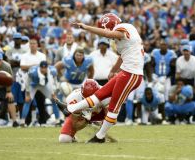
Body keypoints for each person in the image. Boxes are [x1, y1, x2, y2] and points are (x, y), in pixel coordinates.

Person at [66, 13, 144, 143]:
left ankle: (100, 136)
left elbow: (108, 34)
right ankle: (71, 108)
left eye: (105, 28)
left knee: (114, 106)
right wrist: (114, 70)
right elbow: (122, 55)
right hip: (126, 71)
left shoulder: (125, 27)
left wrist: (86, 27)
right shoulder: (124, 35)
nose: (106, 32)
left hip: (132, 74)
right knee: (99, 94)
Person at [21, 61, 58, 126]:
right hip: (33, 85)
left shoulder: (52, 71)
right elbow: (27, 82)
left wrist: (54, 92)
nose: (43, 69)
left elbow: (54, 82)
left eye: (45, 68)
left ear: (47, 68)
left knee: (54, 100)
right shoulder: (33, 72)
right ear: (39, 67)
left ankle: (58, 120)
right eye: (42, 68)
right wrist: (27, 94)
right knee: (27, 101)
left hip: (45, 85)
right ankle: (22, 121)